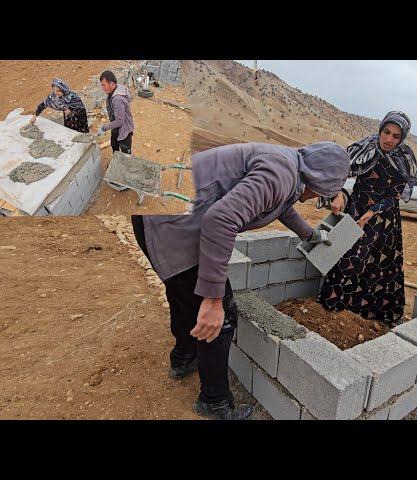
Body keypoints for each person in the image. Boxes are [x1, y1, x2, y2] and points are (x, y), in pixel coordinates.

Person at [131, 141, 350, 420]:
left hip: (158, 219)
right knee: (218, 318)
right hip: (174, 228)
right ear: (317, 179)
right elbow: (220, 220)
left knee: (184, 295)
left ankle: (184, 358)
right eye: (320, 193)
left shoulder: (287, 164)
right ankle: (215, 402)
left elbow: (280, 205)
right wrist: (213, 300)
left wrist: (309, 234)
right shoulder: (281, 174)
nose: (313, 199)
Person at [318, 111, 417, 324]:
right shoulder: (364, 148)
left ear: (403, 138)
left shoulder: (404, 159)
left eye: (396, 136)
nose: (389, 139)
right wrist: (339, 193)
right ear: (380, 129)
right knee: (344, 258)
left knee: (375, 267)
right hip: (355, 210)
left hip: (382, 220)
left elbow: (395, 195)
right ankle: (333, 308)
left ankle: (366, 314)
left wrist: (370, 214)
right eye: (386, 132)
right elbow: (341, 172)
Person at [96, 70, 134, 154]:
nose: (102, 88)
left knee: (125, 153)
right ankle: (115, 161)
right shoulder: (116, 89)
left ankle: (124, 165)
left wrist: (104, 128)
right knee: (114, 144)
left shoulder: (117, 99)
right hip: (116, 128)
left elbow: (119, 121)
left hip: (124, 130)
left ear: (112, 84)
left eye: (104, 85)